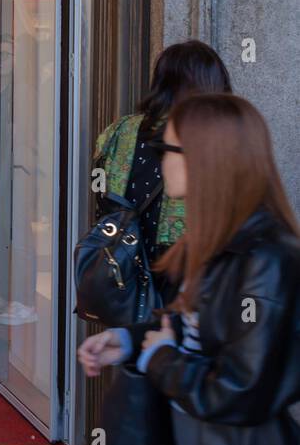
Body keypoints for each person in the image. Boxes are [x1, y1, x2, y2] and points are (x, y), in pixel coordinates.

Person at [78, 94, 300, 445]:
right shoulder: (221, 242)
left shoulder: (266, 258)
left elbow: (240, 391)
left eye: (169, 148)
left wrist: (159, 359)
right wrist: (130, 341)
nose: (161, 161)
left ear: (205, 158)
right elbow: (196, 330)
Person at [90, 40, 233, 321]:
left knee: (134, 349)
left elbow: (101, 191)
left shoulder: (120, 130)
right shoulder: (216, 134)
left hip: (125, 264)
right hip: (188, 268)